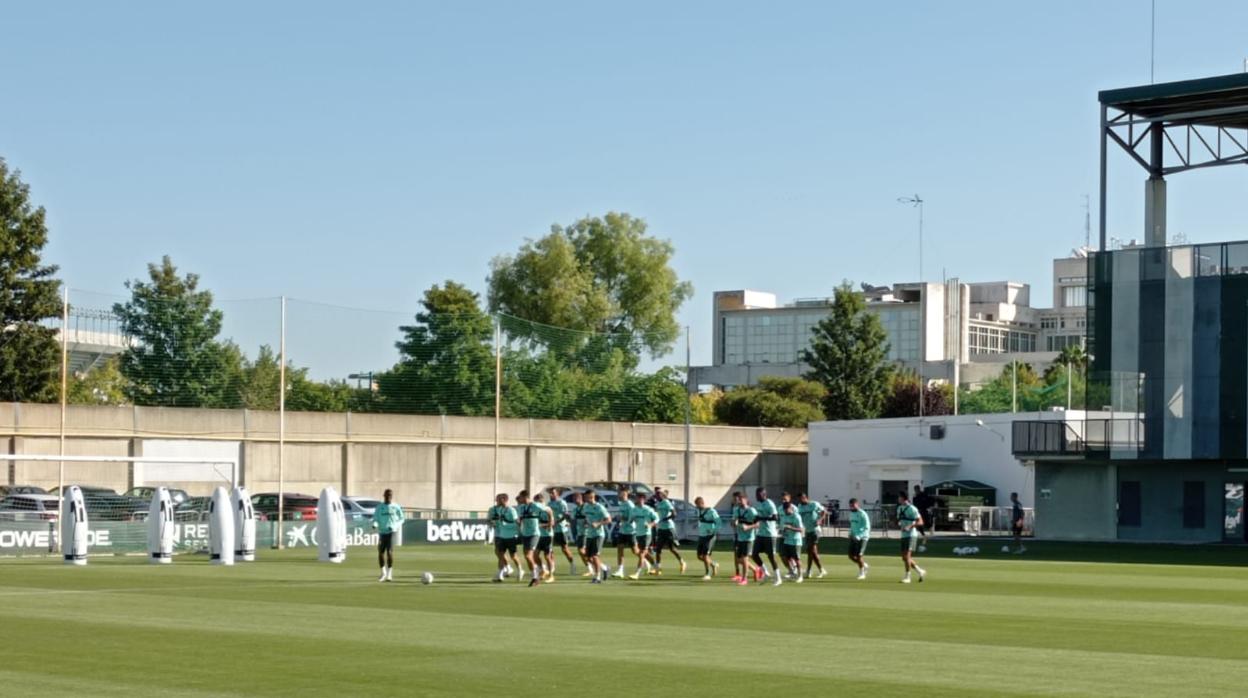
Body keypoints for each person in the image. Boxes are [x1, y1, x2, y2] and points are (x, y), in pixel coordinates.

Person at [371, 488, 405, 582]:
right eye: (387, 495)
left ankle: (389, 574)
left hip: (391, 532)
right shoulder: (379, 507)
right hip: (382, 532)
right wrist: (375, 525)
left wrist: (395, 525)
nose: (388, 497)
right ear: (384, 496)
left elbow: (402, 518)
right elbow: (376, 519)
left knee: (389, 551)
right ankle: (383, 573)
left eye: (390, 495)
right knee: (380, 552)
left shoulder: (396, 507)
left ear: (392, 496)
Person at [752, 488, 782, 585]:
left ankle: (778, 578)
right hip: (761, 533)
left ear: (764, 494)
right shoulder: (759, 504)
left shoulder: (770, 503)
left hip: (770, 534)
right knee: (754, 554)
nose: (756, 496)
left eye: (758, 494)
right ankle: (766, 572)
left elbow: (775, 517)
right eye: (756, 494)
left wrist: (761, 518)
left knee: (771, 556)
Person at [488, 493, 521, 582]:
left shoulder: (509, 509)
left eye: (498, 499)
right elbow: (489, 520)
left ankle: (510, 569)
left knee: (507, 554)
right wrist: (492, 523)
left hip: (508, 534)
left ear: (503, 500)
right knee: (499, 552)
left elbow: (516, 521)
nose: (496, 501)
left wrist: (519, 532)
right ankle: (504, 570)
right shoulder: (493, 509)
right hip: (499, 533)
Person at [652, 489, 686, 575]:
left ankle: (682, 562)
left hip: (669, 528)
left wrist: (666, 518)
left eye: (659, 494)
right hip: (661, 529)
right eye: (656, 494)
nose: (657, 495)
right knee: (658, 549)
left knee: (672, 549)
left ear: (662, 495)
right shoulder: (657, 504)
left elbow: (674, 513)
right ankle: (658, 568)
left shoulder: (666, 502)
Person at [580, 490, 611, 584]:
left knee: (594, 556)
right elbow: (586, 518)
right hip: (589, 534)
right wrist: (586, 523)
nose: (585, 499)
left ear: (592, 497)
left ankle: (597, 577)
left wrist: (599, 523)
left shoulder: (599, 507)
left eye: (586, 497)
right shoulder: (585, 507)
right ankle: (605, 568)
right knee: (588, 557)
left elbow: (609, 519)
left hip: (598, 534)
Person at [730, 491, 759, 586]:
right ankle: (755, 569)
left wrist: (748, 527)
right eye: (739, 500)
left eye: (742, 500)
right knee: (738, 560)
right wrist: (734, 523)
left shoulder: (752, 511)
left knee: (745, 559)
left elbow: (758, 524)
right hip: (740, 537)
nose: (740, 502)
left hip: (749, 538)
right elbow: (733, 522)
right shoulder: (736, 510)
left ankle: (744, 579)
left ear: (746, 500)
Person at [896, 491, 926, 584]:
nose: (898, 499)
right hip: (904, 535)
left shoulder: (912, 508)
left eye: (899, 497)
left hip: (911, 535)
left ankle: (907, 577)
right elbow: (899, 520)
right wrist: (899, 524)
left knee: (907, 557)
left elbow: (920, 522)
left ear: (903, 498)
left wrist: (910, 526)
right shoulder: (899, 508)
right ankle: (920, 571)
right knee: (904, 558)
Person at [627, 492, 658, 579]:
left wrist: (650, 525)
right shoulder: (634, 510)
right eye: (637, 498)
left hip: (646, 534)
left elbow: (657, 519)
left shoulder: (648, 509)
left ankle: (637, 574)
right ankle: (657, 567)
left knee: (641, 554)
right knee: (646, 553)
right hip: (638, 533)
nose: (638, 500)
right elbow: (630, 520)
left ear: (644, 500)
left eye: (640, 498)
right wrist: (630, 520)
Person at [547, 488, 577, 575]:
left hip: (561, 528)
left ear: (557, 494)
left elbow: (565, 515)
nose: (551, 494)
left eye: (553, 493)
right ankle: (552, 567)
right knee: (550, 549)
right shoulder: (549, 504)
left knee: (564, 548)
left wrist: (556, 522)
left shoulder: (561, 503)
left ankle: (572, 564)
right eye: (550, 493)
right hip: (551, 529)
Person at [796, 492, 826, 579]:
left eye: (802, 498)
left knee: (812, 550)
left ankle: (821, 570)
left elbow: (824, 511)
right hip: (808, 530)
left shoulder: (814, 504)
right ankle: (809, 571)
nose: (800, 501)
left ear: (806, 498)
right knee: (810, 552)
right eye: (799, 499)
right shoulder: (800, 507)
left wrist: (820, 520)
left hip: (815, 530)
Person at [694, 496, 721, 580]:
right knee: (699, 556)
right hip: (701, 535)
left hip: (709, 536)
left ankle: (707, 574)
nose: (696, 507)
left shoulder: (711, 511)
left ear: (702, 503)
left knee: (705, 555)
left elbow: (719, 523)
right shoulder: (699, 511)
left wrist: (713, 531)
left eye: (697, 505)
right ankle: (713, 564)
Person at [779, 500, 805, 583]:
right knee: (784, 556)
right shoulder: (784, 517)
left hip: (796, 541)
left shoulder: (796, 516)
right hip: (787, 540)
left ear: (791, 508)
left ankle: (800, 575)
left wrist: (790, 527)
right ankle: (791, 572)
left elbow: (801, 529)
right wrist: (781, 531)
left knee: (797, 559)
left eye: (787, 509)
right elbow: (782, 528)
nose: (786, 511)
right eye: (784, 510)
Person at [613, 486, 635, 578]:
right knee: (620, 549)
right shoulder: (621, 504)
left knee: (636, 551)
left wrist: (621, 518)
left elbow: (631, 519)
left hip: (631, 531)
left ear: (625, 494)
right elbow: (621, 516)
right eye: (618, 493)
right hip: (623, 530)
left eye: (620, 493)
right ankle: (620, 570)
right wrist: (618, 519)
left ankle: (649, 562)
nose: (618, 495)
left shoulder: (630, 505)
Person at [533, 493, 557, 582]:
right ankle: (543, 570)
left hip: (547, 536)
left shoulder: (548, 510)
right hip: (539, 535)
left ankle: (551, 575)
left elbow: (552, 524)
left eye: (538, 502)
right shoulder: (536, 511)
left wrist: (540, 525)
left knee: (547, 556)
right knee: (535, 555)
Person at [570, 491, 593, 577]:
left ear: (579, 498)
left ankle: (593, 568)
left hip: (587, 533)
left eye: (575, 498)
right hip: (580, 533)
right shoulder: (575, 509)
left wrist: (588, 522)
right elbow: (573, 520)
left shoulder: (586, 507)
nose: (574, 500)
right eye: (573, 499)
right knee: (583, 553)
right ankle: (596, 568)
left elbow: (590, 517)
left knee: (582, 551)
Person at [847, 498, 870, 580]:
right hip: (854, 537)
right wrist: (850, 533)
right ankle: (864, 565)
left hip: (863, 537)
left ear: (857, 504)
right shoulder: (851, 514)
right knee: (850, 555)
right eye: (850, 506)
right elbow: (852, 525)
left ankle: (862, 573)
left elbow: (866, 527)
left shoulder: (862, 514)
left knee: (859, 556)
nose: (852, 507)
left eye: (853, 505)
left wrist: (859, 536)